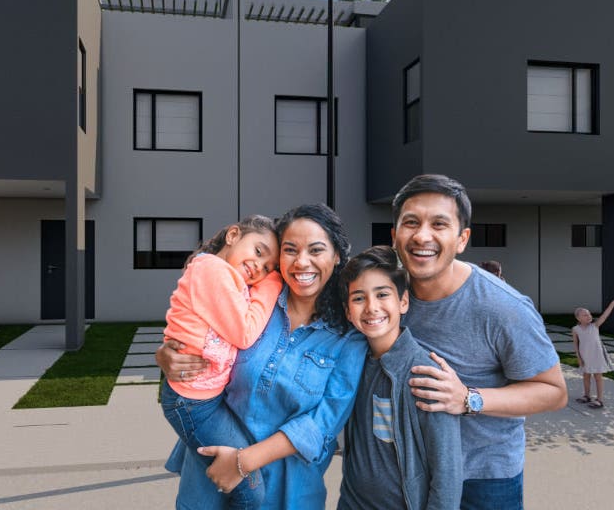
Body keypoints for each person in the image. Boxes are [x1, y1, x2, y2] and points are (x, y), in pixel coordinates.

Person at [156, 204, 368, 510]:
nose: (302, 262)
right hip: (209, 472)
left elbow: (321, 424)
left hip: (285, 488)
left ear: (336, 256)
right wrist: (167, 354)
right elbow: (195, 331)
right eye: (290, 250)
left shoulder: (347, 335)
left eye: (316, 250)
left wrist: (243, 461)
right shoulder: (252, 300)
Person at [391, 174, 567, 510]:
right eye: (410, 222)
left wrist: (468, 399)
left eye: (439, 223)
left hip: (484, 479)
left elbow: (554, 391)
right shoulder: (386, 297)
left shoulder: (501, 307)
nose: (422, 235)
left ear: (462, 239)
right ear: (395, 235)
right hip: (410, 471)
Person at [160, 214, 283, 508]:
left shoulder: (228, 277)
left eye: (268, 267)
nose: (260, 268)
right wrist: (273, 282)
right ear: (233, 235)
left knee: (236, 484)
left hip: (203, 400)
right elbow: (244, 332)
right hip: (194, 403)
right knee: (250, 489)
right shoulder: (213, 270)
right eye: (258, 251)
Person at [336, 246, 462, 510]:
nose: (372, 307)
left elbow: (447, 472)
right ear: (348, 311)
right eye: (358, 298)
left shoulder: (425, 373)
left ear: (403, 302)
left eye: (382, 294)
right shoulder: (352, 363)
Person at [571, 297, 614, 409]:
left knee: (598, 376)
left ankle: (599, 399)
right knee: (586, 375)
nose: (589, 316)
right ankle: (587, 396)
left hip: (596, 356)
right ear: (578, 318)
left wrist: (612, 304)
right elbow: (576, 345)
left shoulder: (595, 326)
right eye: (585, 315)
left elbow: (605, 315)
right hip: (585, 356)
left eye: (589, 314)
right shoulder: (575, 329)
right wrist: (579, 358)